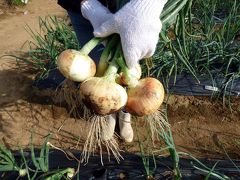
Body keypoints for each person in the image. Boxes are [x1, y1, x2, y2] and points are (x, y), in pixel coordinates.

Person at [57, 0, 167, 142]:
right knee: (97, 63)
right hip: (80, 8)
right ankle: (108, 113)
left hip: (129, 5)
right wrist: (87, 4)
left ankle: (125, 112)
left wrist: (148, 4)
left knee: (128, 62)